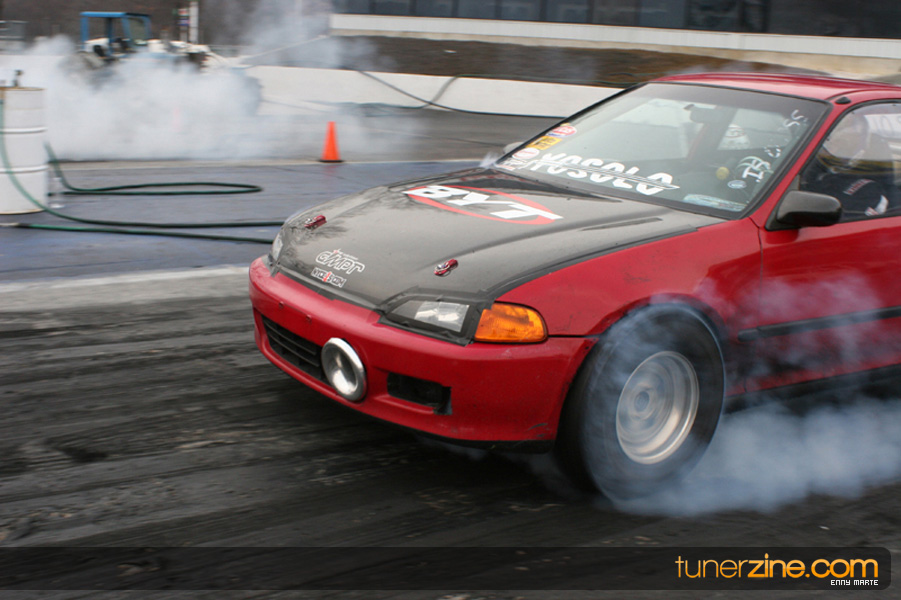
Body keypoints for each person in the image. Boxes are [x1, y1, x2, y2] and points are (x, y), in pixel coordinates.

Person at [801, 112, 892, 219]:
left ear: (863, 144)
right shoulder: (812, 166)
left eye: (845, 142)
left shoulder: (868, 190)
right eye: (833, 140)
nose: (836, 146)